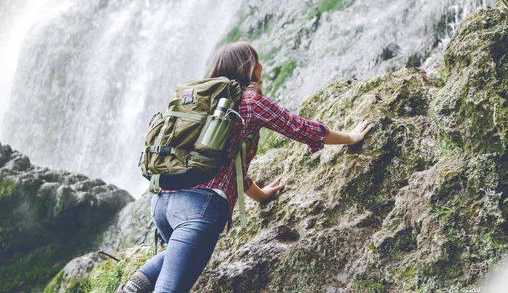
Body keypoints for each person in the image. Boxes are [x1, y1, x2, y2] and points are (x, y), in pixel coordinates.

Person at [117, 42, 373, 293]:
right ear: (251, 67)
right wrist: (350, 138)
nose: (261, 66)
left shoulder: (206, 107)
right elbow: (300, 128)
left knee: (181, 255)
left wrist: (260, 195)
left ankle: (133, 287)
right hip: (198, 210)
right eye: (257, 60)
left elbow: (224, 164)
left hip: (162, 203)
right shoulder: (250, 102)